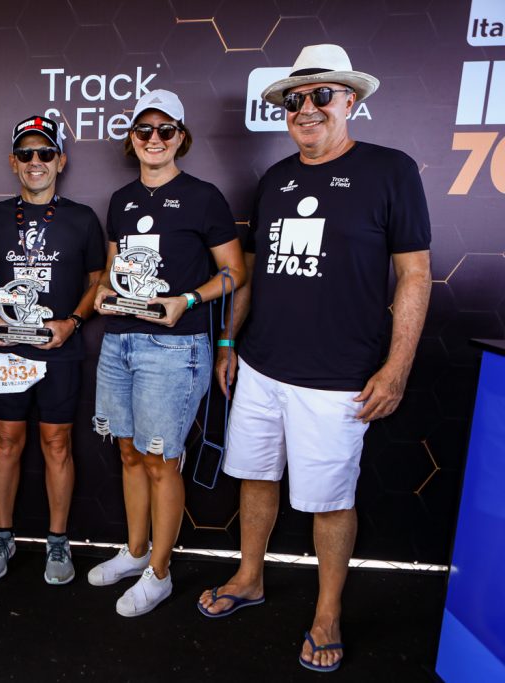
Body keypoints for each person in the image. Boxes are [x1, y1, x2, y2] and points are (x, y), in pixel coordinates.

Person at [196, 45, 431, 673]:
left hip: (337, 382)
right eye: (295, 99)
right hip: (261, 366)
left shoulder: (390, 170)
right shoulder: (276, 179)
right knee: (255, 475)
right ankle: (250, 577)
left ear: (351, 101)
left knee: (330, 500)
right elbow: (254, 276)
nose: (307, 109)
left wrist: (397, 367)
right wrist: (229, 343)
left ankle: (327, 612)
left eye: (322, 95)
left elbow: (414, 275)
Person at [89, 89, 246, 617]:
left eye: (165, 130)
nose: (154, 140)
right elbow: (114, 270)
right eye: (143, 131)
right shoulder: (120, 199)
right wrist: (107, 295)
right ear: (131, 138)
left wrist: (185, 300)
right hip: (120, 341)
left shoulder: (204, 196)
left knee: (162, 461)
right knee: (129, 452)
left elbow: (234, 272)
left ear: (182, 136)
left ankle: (159, 572)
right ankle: (135, 553)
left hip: (176, 346)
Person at [0, 116, 104, 584]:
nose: (36, 162)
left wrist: (72, 323)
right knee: (7, 442)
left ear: (60, 161)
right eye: (26, 154)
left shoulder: (83, 217)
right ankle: (2, 534)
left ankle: (57, 542)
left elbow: (98, 282)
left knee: (56, 443)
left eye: (45, 153)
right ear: (13, 162)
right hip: (8, 350)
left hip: (59, 349)